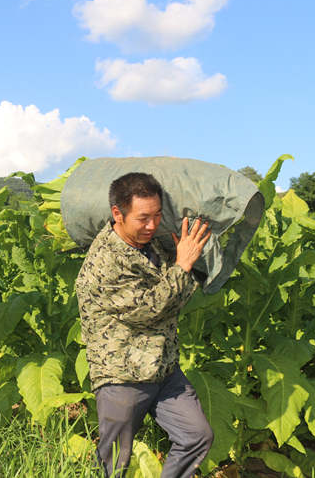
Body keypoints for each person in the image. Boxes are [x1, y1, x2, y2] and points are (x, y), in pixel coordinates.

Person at [75, 172, 214, 478]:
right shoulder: (104, 261)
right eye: (143, 218)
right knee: (114, 462)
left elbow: (177, 298)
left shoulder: (152, 247)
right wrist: (182, 265)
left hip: (163, 367)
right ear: (118, 213)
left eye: (158, 215)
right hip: (123, 374)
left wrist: (184, 266)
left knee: (196, 436)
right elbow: (150, 310)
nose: (152, 225)